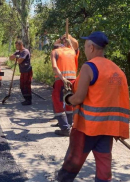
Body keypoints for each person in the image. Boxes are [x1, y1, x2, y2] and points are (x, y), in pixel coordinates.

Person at [57, 31, 129, 181]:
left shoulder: (89, 67)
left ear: (91, 48)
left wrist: (68, 98)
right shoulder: (116, 70)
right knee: (104, 164)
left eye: (84, 46)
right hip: (108, 128)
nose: (83, 49)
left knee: (74, 160)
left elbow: (78, 98)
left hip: (88, 128)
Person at [50, 34, 79, 136]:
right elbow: (74, 44)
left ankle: (65, 128)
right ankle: (69, 124)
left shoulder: (55, 52)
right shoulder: (72, 51)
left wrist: (63, 78)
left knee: (57, 103)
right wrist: (67, 37)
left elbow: (54, 67)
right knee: (69, 102)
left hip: (61, 80)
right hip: (73, 81)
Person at [9, 40, 33, 105]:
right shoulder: (18, 52)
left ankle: (28, 100)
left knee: (26, 85)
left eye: (17, 45)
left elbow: (19, 61)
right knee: (22, 85)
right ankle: (25, 99)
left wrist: (16, 57)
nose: (16, 47)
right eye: (16, 45)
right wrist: (15, 56)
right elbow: (10, 58)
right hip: (22, 71)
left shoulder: (25, 51)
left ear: (21, 45)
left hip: (27, 71)